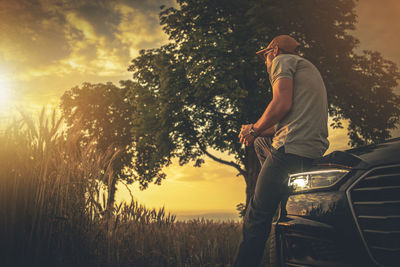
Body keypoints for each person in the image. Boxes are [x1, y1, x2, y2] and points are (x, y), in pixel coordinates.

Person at [234, 35, 330, 266]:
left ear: (274, 50)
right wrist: (257, 131)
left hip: (290, 149)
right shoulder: (308, 69)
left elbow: (281, 104)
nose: (265, 60)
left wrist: (254, 129)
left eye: (265, 54)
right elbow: (284, 122)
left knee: (256, 218)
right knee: (285, 217)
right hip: (310, 152)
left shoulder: (282, 61)